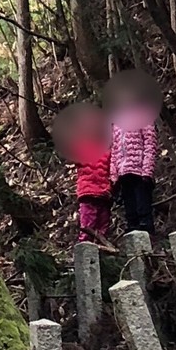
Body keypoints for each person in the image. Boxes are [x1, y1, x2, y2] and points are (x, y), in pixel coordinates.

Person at [104, 71, 159, 239]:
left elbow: (150, 143)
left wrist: (147, 170)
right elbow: (114, 149)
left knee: (142, 202)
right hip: (123, 172)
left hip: (139, 170)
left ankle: (147, 231)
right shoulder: (117, 122)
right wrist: (114, 173)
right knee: (129, 204)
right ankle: (132, 228)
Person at [52, 103, 113, 244]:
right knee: (87, 226)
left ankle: (101, 253)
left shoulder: (107, 150)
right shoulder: (81, 147)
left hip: (104, 194)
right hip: (88, 194)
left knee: (103, 227)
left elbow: (112, 170)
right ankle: (85, 253)